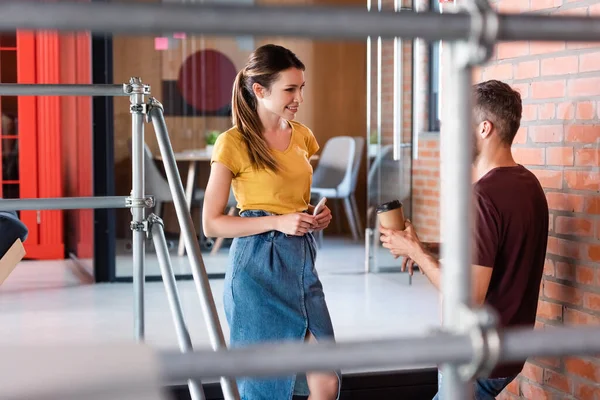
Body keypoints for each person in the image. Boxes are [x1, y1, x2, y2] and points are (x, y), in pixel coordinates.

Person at [379, 80, 549, 400]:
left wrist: (415, 252)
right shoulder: (529, 184)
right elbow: (497, 251)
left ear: (484, 129)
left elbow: (469, 296)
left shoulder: (483, 196)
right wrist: (429, 247)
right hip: (507, 353)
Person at [202, 44, 340, 400]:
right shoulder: (233, 143)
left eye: (301, 87)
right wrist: (277, 223)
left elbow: (289, 199)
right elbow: (212, 224)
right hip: (256, 270)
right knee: (263, 391)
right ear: (260, 90)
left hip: (301, 263)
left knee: (326, 381)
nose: (299, 98)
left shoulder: (303, 136)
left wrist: (314, 214)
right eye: (290, 90)